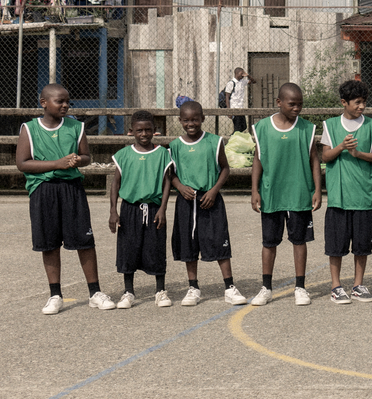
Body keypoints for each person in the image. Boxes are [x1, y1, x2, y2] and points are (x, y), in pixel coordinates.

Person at [16, 83, 113, 313]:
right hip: (44, 189)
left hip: (71, 188)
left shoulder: (76, 127)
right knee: (48, 243)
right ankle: (55, 294)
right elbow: (22, 163)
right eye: (60, 101)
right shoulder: (29, 129)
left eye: (68, 101)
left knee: (84, 240)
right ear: (44, 103)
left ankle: (95, 292)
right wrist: (56, 164)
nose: (65, 105)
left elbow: (87, 156)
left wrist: (80, 160)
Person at [249, 82, 321, 307]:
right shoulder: (262, 127)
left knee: (299, 241)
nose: (297, 108)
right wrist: (254, 190)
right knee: (269, 242)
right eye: (292, 104)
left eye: (300, 104)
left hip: (299, 194)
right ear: (279, 102)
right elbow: (258, 160)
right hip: (272, 194)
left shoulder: (306, 128)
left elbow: (314, 160)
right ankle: (266, 288)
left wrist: (318, 189)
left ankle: (300, 287)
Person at [170, 100, 246, 307]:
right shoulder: (175, 145)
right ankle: (193, 287)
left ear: (203, 119)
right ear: (180, 121)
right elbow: (171, 174)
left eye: (195, 119)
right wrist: (179, 186)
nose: (191, 123)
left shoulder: (215, 141)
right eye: (186, 120)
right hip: (187, 201)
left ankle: (229, 287)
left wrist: (214, 190)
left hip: (210, 199)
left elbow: (225, 169)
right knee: (189, 244)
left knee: (220, 241)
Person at [320, 79, 372, 305]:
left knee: (362, 245)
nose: (361, 106)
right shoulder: (330, 125)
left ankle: (358, 285)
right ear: (344, 102)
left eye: (364, 102)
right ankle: (336, 286)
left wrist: (358, 154)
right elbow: (325, 157)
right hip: (339, 197)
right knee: (336, 246)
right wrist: (341, 147)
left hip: (364, 196)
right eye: (357, 102)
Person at [107, 109, 173, 309]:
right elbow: (116, 184)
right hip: (130, 209)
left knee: (156, 248)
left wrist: (163, 208)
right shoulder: (123, 154)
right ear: (131, 131)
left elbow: (167, 183)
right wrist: (113, 210)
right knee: (129, 249)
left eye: (148, 130)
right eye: (139, 130)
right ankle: (128, 292)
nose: (144, 134)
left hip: (154, 209)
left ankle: (160, 291)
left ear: (155, 130)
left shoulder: (162, 153)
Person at [223, 67, 250, 133]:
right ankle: (232, 140)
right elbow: (227, 97)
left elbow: (253, 81)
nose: (242, 75)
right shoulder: (231, 83)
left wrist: (248, 75)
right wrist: (229, 111)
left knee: (244, 127)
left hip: (241, 107)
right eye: (241, 73)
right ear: (236, 73)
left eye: (243, 73)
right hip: (234, 108)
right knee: (237, 128)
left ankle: (234, 138)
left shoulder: (242, 82)